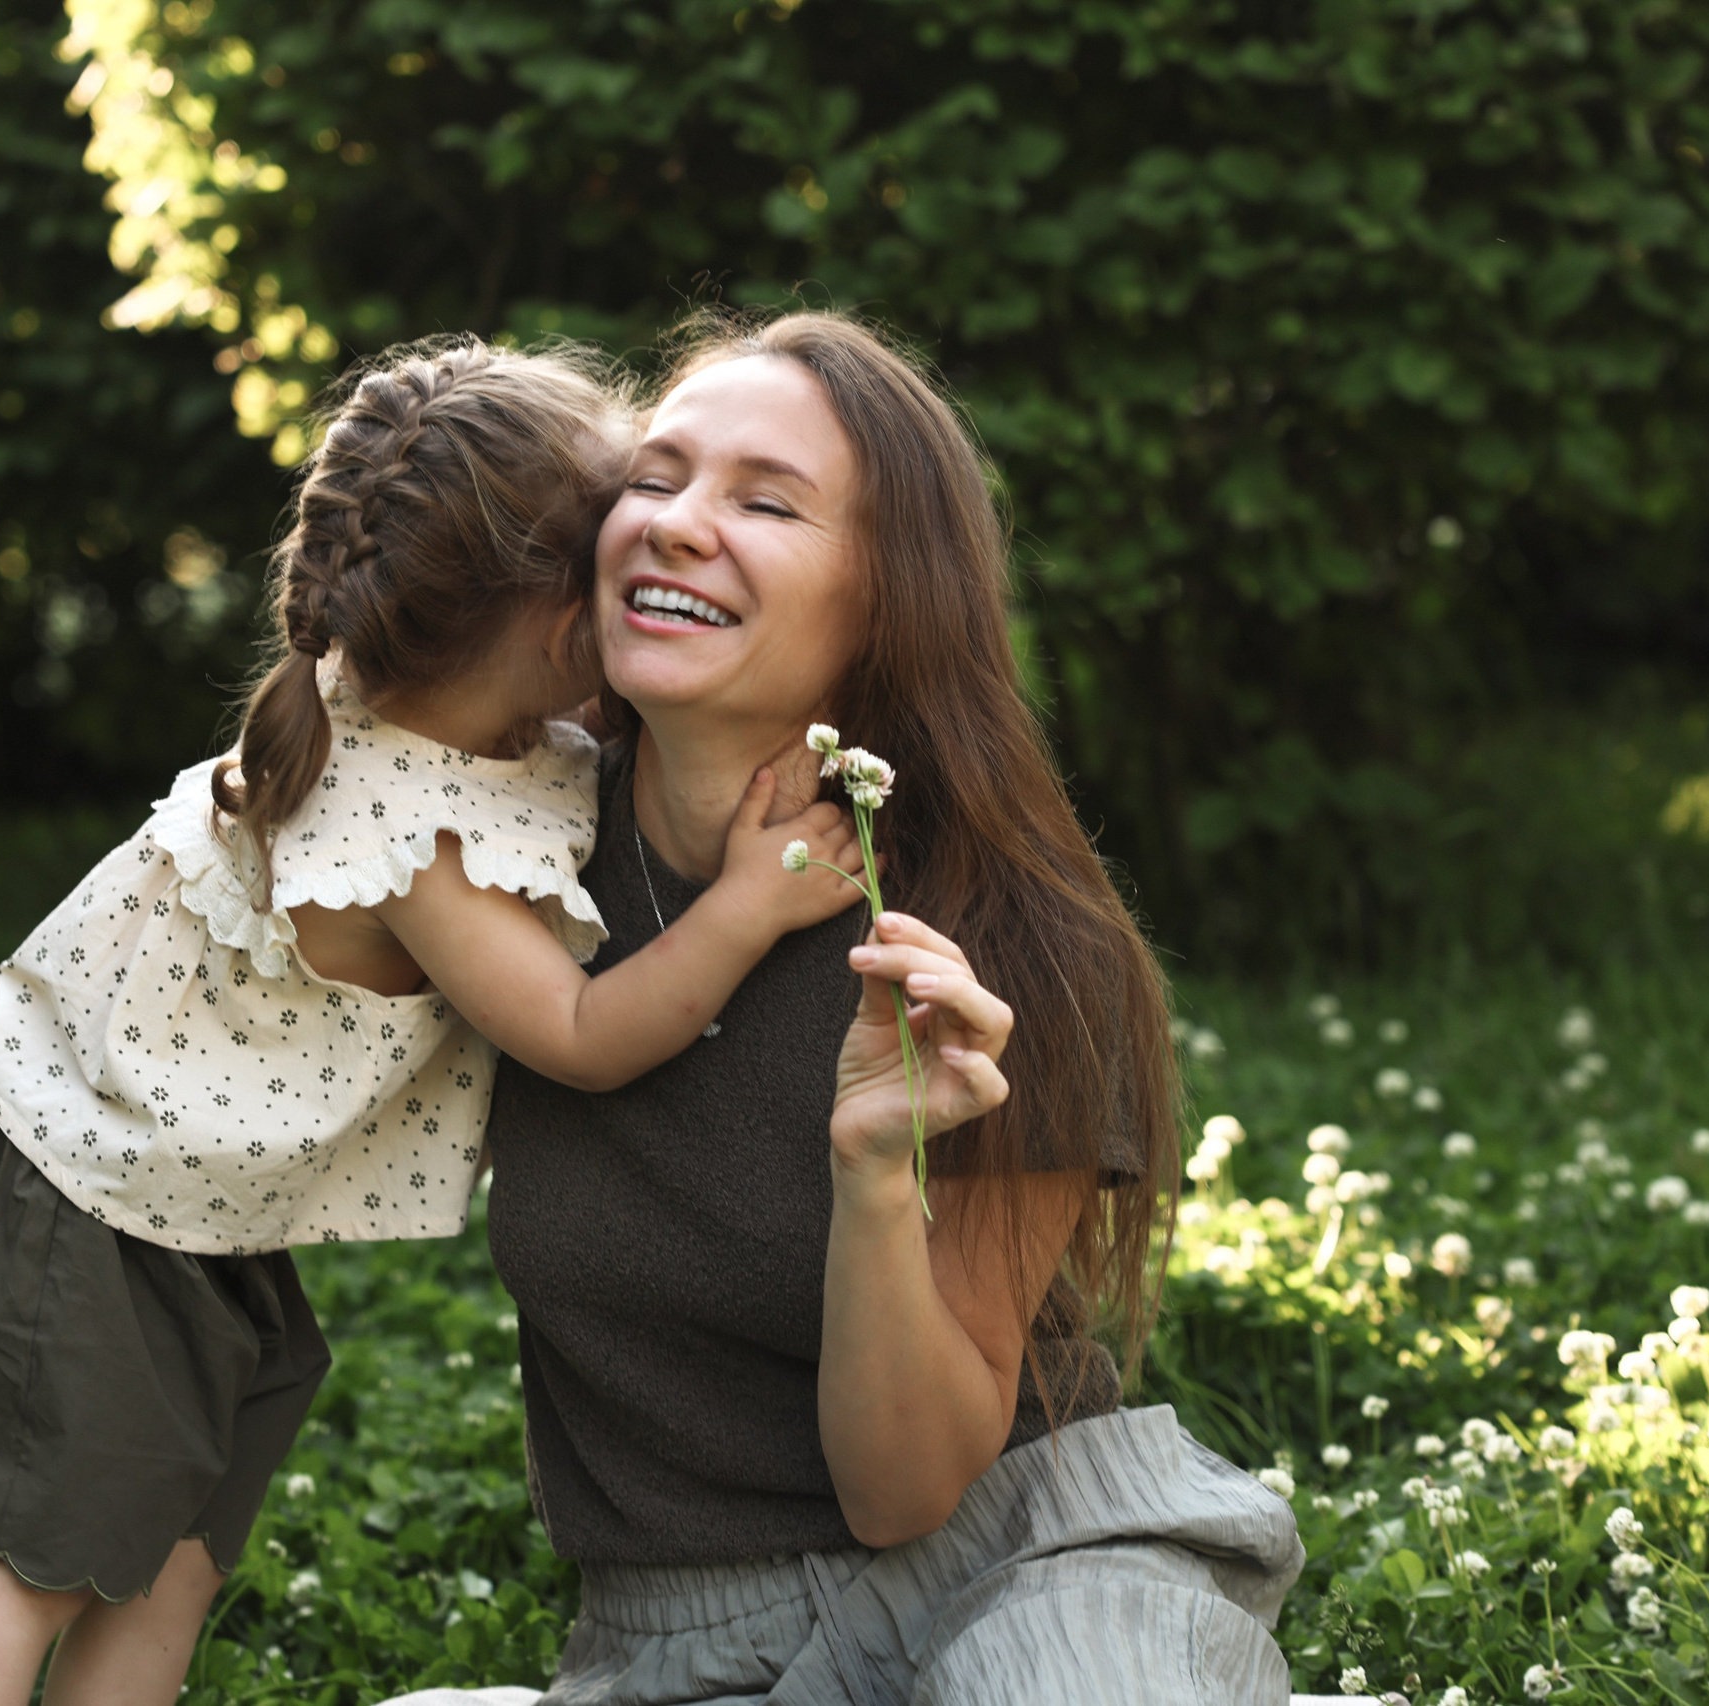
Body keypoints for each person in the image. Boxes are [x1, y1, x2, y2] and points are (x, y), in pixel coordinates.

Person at [0, 336, 865, 1706]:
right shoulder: (404, 837)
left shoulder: (455, 718)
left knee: (169, 1558)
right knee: (38, 1561)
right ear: (553, 621)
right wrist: (746, 905)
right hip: (90, 1192)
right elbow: (575, 1030)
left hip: (181, 1196)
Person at [389, 313, 1303, 1706]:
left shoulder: (1008, 934)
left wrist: (879, 1172)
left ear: (887, 600)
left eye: (765, 502)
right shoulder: (491, 872)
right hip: (681, 1642)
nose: (679, 525)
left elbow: (907, 1492)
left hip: (1027, 1563)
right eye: (654, 477)